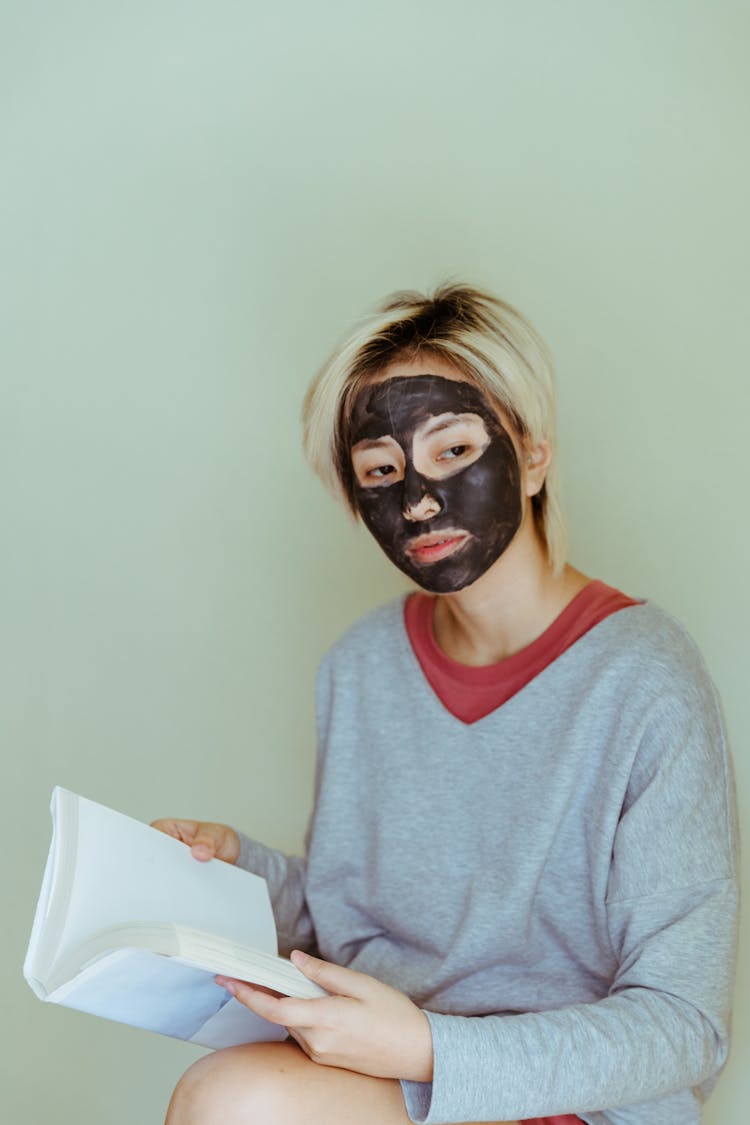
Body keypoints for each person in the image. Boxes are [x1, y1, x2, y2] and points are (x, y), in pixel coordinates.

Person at [153, 284, 739, 1125]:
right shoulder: (358, 667)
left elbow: (685, 1026)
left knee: (234, 1100)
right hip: (381, 1075)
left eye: (454, 449)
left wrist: (429, 1048)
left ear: (533, 453)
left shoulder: (645, 678)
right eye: (381, 472)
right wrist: (230, 868)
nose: (418, 499)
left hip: (569, 1103)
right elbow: (350, 919)